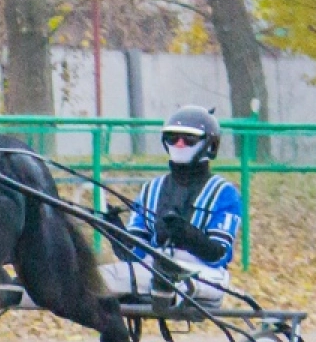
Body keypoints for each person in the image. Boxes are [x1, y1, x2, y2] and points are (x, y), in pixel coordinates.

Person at [100, 105, 240, 301]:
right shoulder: (151, 189)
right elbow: (134, 255)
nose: (179, 144)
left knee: (170, 280)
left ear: (210, 145)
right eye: (172, 138)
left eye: (189, 139)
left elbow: (218, 255)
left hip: (204, 274)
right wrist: (114, 230)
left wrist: (186, 234)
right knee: (95, 278)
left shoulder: (224, 193)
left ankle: (163, 288)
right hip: (154, 268)